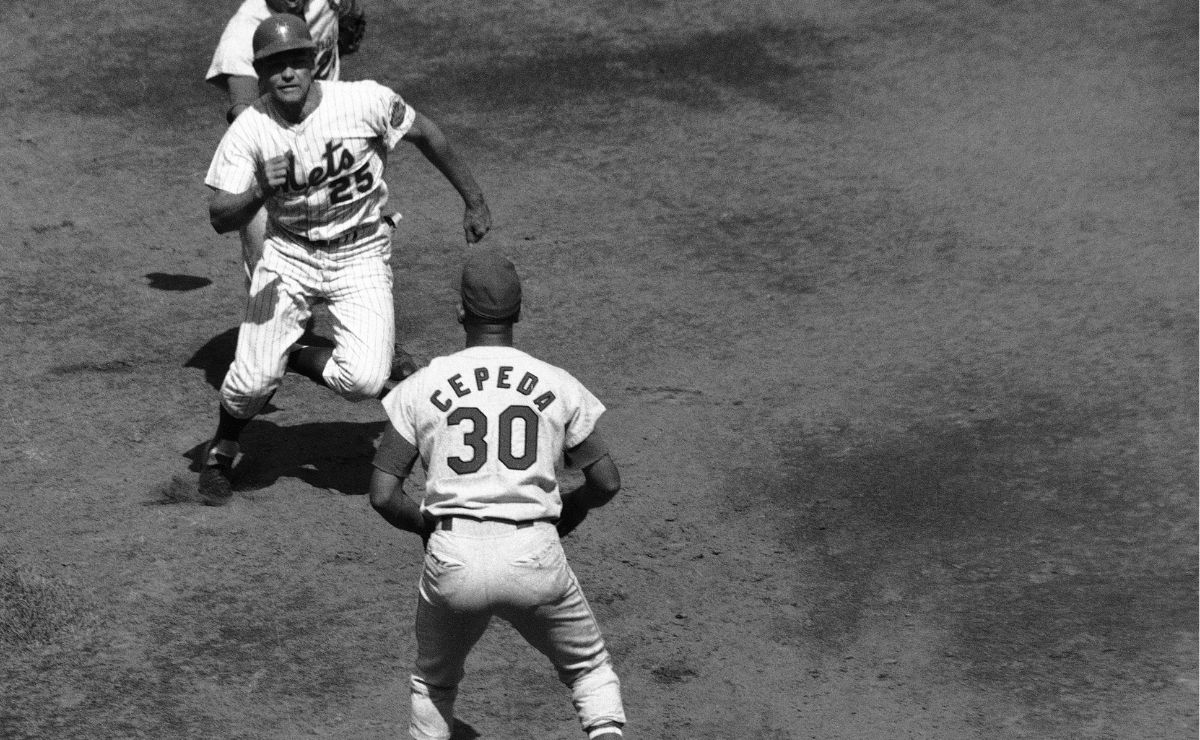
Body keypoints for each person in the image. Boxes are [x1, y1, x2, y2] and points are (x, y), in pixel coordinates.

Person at [198, 14, 492, 505]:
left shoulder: (363, 101)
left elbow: (427, 134)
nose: (287, 73)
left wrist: (474, 200)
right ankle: (222, 449)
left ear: (313, 61)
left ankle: (289, 352)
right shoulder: (249, 130)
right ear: (260, 73)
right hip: (288, 253)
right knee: (251, 382)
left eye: (296, 61)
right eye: (274, 66)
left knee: (364, 379)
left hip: (360, 251)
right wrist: (259, 189)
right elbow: (219, 217)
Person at [369, 252, 627, 740]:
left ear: (461, 312)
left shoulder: (420, 386)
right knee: (589, 671)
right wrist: (568, 512)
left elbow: (383, 495)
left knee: (433, 684)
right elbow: (607, 481)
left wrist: (427, 525)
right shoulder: (557, 383)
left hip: (454, 557)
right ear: (519, 312)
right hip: (534, 553)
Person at [206, 0, 349, 281]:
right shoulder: (243, 33)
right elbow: (243, 113)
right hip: (274, 166)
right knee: (271, 274)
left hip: (332, 151)